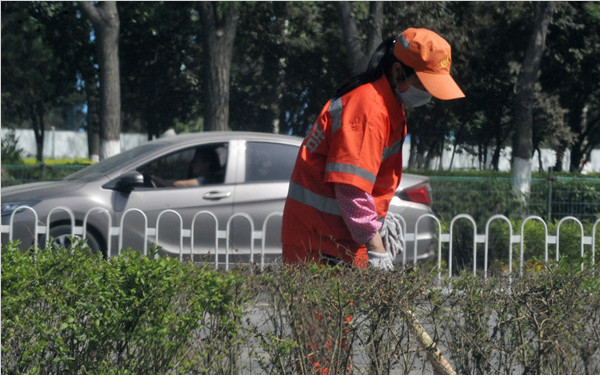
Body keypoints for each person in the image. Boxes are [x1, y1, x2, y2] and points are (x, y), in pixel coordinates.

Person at [282, 28, 465, 271]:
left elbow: (367, 184)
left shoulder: (387, 107)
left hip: (334, 238)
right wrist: (376, 245)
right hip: (320, 243)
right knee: (331, 311)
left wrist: (378, 219)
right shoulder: (368, 109)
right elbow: (351, 190)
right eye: (424, 84)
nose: (428, 94)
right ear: (398, 71)